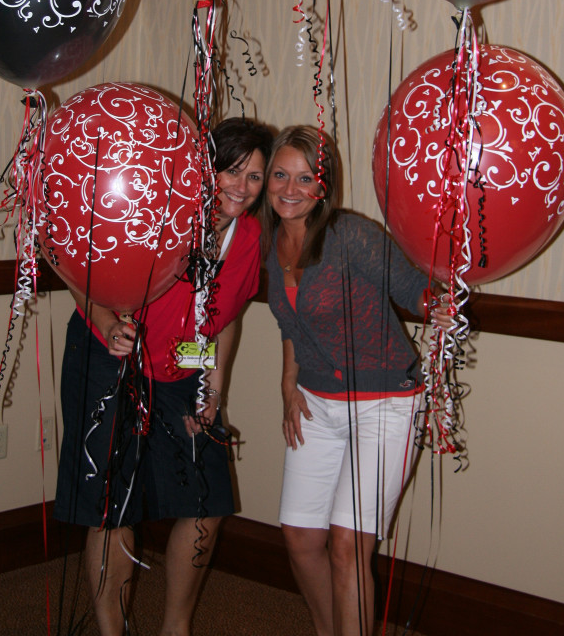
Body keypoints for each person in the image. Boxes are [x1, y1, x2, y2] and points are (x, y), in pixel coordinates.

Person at [54, 116, 273, 636]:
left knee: (206, 501)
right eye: (231, 170)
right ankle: (112, 626)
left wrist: (212, 391)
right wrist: (108, 324)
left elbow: (226, 320)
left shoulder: (249, 237)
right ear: (205, 169)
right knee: (116, 503)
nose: (241, 187)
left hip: (181, 371)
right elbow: (77, 265)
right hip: (109, 357)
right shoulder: (161, 212)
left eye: (255, 177)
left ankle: (175, 628)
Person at [261, 125, 450, 636]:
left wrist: (445, 302)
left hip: (385, 404)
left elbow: (414, 291)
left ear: (325, 186)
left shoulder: (352, 236)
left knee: (348, 545)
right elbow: (289, 324)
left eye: (306, 178)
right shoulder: (270, 241)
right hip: (316, 404)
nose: (290, 188)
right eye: (281, 174)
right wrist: (287, 387)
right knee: (300, 537)